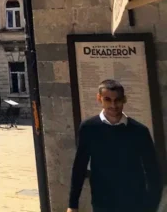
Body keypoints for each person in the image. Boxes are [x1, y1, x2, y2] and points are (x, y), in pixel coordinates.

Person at [67, 79, 162, 212]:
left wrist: (151, 206)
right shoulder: (89, 128)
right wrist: (72, 204)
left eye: (117, 100)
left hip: (135, 202)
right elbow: (79, 166)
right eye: (107, 100)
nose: (113, 105)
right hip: (103, 202)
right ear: (99, 99)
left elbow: (153, 171)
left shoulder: (139, 131)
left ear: (124, 100)